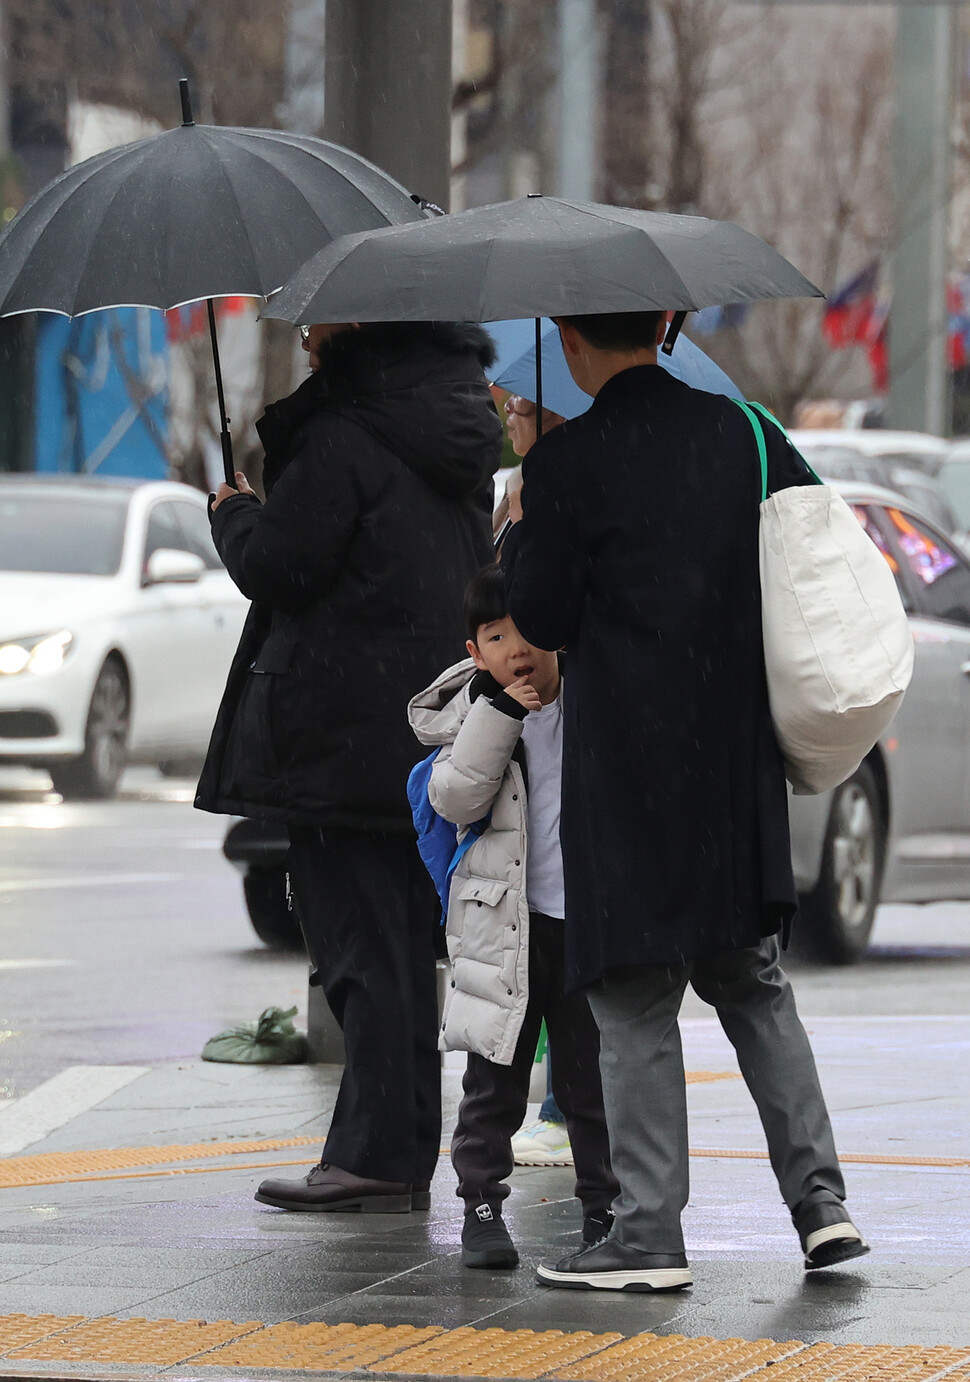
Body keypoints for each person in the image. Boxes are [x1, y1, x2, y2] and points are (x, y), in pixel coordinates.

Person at [501, 310, 868, 1292]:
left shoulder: (570, 463)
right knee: (752, 986)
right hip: (730, 767)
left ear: (570, 341)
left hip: (627, 776)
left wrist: (535, 476)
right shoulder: (743, 432)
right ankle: (821, 1205)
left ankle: (648, 1232)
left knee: (631, 1003)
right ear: (666, 327)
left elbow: (535, 613)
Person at [197, 319, 503, 1212]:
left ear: (357, 329)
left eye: (314, 322)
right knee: (400, 949)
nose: (301, 333)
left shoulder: (344, 435)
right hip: (417, 725)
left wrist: (234, 515)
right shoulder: (448, 427)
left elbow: (282, 567)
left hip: (340, 727)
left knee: (361, 952)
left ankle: (375, 1154)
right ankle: (395, 1150)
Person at [407, 564, 618, 1269]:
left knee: (591, 1081)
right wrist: (501, 712)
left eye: (527, 629)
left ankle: (603, 1211)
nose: (516, 648)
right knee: (493, 1076)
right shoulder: (474, 712)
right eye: (496, 636)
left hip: (582, 924)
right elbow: (456, 798)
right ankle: (482, 1208)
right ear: (475, 652)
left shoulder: (592, 694)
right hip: (505, 928)